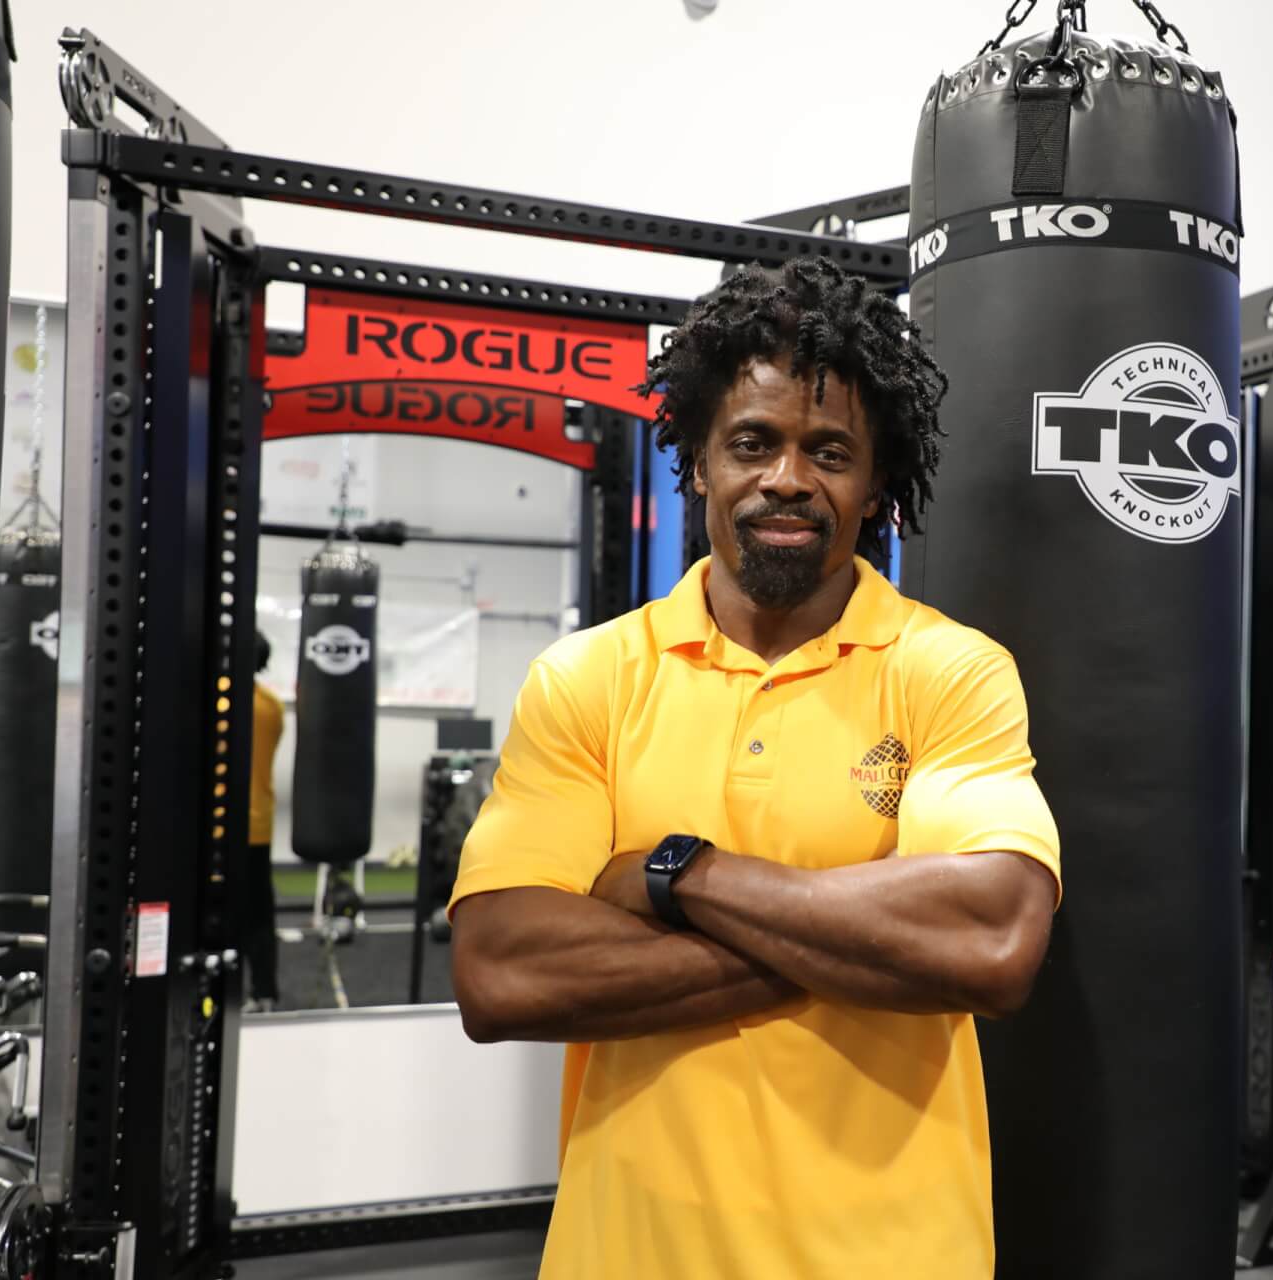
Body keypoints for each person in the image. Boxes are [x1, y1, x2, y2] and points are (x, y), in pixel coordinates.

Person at [449, 257, 1062, 1280]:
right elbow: (503, 971)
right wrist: (857, 951)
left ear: (876, 489)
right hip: (631, 1253)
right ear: (697, 461)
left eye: (831, 451)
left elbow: (990, 936)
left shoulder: (949, 670)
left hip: (893, 1255)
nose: (788, 476)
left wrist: (673, 875)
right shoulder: (588, 678)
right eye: (753, 442)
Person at [244, 630, 283, 1010]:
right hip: (258, 826)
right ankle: (265, 992)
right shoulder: (272, 705)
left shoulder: (226, 700)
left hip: (221, 830)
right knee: (258, 916)